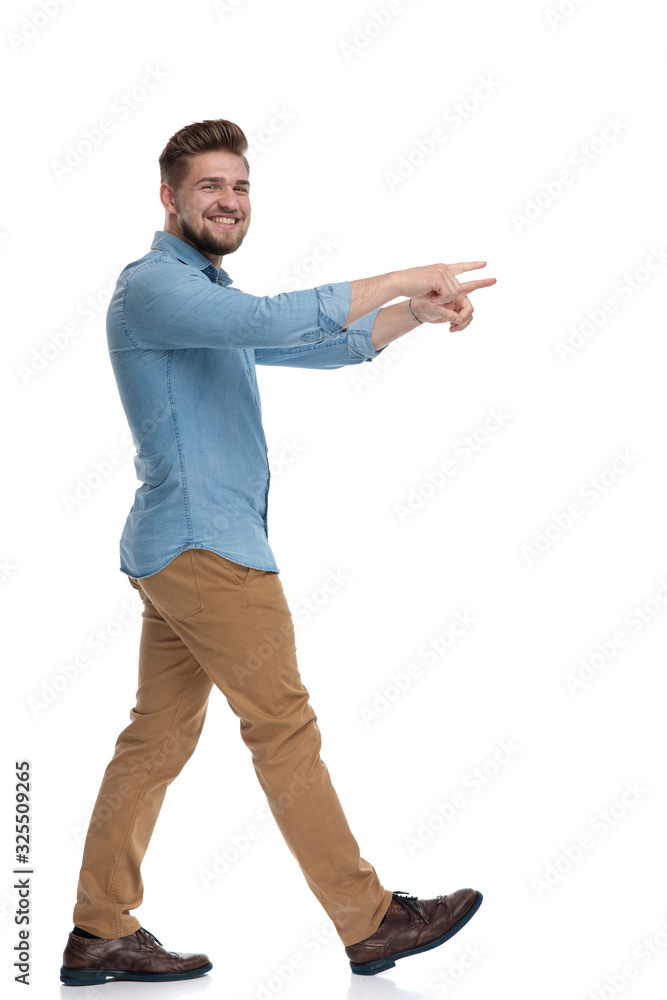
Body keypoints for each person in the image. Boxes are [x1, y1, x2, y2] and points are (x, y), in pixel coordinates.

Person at [60, 118, 495, 987]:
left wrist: (414, 311)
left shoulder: (204, 302)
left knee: (155, 741)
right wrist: (409, 271)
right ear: (169, 198)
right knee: (284, 730)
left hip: (181, 551)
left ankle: (99, 931)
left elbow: (313, 344)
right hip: (207, 552)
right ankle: (370, 920)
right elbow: (272, 315)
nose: (229, 200)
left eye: (241, 186)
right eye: (210, 187)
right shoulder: (153, 286)